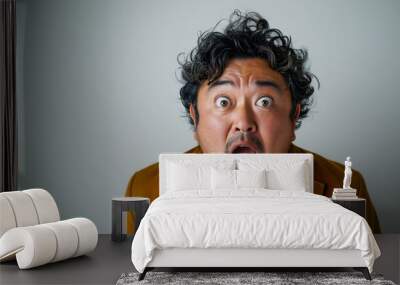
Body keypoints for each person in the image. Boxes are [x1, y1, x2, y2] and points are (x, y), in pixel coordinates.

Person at [125, 10, 381, 233]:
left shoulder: (346, 184)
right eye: (223, 102)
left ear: (293, 117)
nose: (243, 123)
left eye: (264, 102)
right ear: (195, 117)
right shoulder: (145, 187)